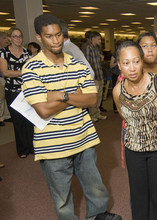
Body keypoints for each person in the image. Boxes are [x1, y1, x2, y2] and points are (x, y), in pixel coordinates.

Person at [21, 14, 122, 220]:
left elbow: (92, 100)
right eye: (49, 36)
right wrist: (75, 95)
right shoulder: (31, 69)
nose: (56, 40)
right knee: (62, 198)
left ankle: (97, 215)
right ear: (39, 37)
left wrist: (59, 95)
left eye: (58, 35)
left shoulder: (77, 64)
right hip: (52, 144)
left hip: (83, 137)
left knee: (95, 186)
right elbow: (43, 110)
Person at [112, 41, 157, 220]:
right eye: (126, 63)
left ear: (142, 61)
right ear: (119, 65)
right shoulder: (117, 91)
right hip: (133, 151)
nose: (132, 68)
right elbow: (126, 118)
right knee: (138, 198)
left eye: (136, 61)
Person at [0, 27, 34, 158]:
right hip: (12, 91)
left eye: (20, 36)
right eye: (15, 36)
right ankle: (22, 149)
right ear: (9, 38)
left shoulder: (27, 52)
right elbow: (5, 73)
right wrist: (23, 72)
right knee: (18, 121)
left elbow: (32, 69)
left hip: (27, 90)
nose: (18, 39)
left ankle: (32, 146)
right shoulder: (3, 53)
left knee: (30, 120)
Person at [84, 31, 107, 122]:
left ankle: (97, 113)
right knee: (93, 97)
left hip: (99, 75)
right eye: (98, 39)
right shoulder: (88, 48)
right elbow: (87, 64)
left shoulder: (97, 49)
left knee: (99, 96)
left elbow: (98, 62)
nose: (100, 41)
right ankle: (91, 114)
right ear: (93, 39)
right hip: (93, 77)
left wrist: (101, 57)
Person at [109, 41, 122, 113]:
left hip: (122, 75)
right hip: (116, 75)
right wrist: (117, 62)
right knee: (116, 91)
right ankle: (115, 108)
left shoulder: (123, 54)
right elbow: (111, 65)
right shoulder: (114, 55)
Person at [0, 31, 8, 127]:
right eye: (4, 38)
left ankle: (4, 117)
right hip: (1, 76)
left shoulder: (6, 51)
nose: (6, 40)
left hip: (5, 78)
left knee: (3, 98)